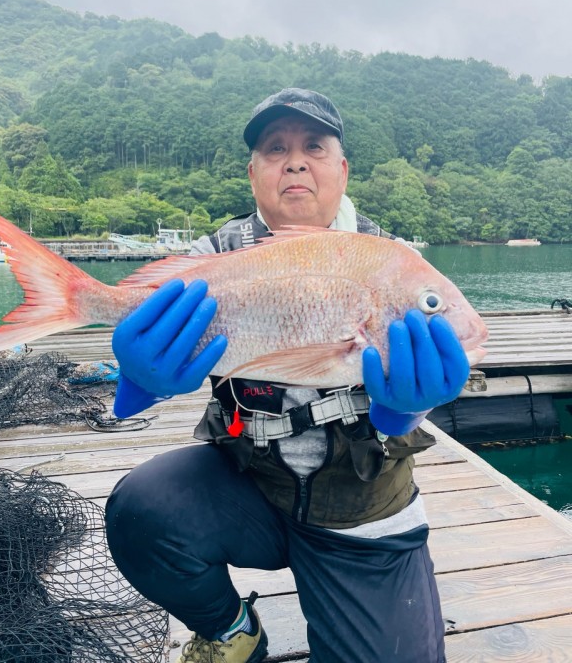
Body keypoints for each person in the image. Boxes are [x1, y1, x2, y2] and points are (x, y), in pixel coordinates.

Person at [105, 88, 469, 663]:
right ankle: (232, 631)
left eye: (314, 146)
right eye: (276, 148)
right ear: (254, 174)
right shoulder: (217, 254)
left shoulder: (389, 261)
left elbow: (425, 354)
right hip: (248, 487)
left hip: (361, 513)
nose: (295, 161)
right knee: (141, 509)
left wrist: (406, 408)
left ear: (342, 170)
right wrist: (139, 378)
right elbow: (146, 351)